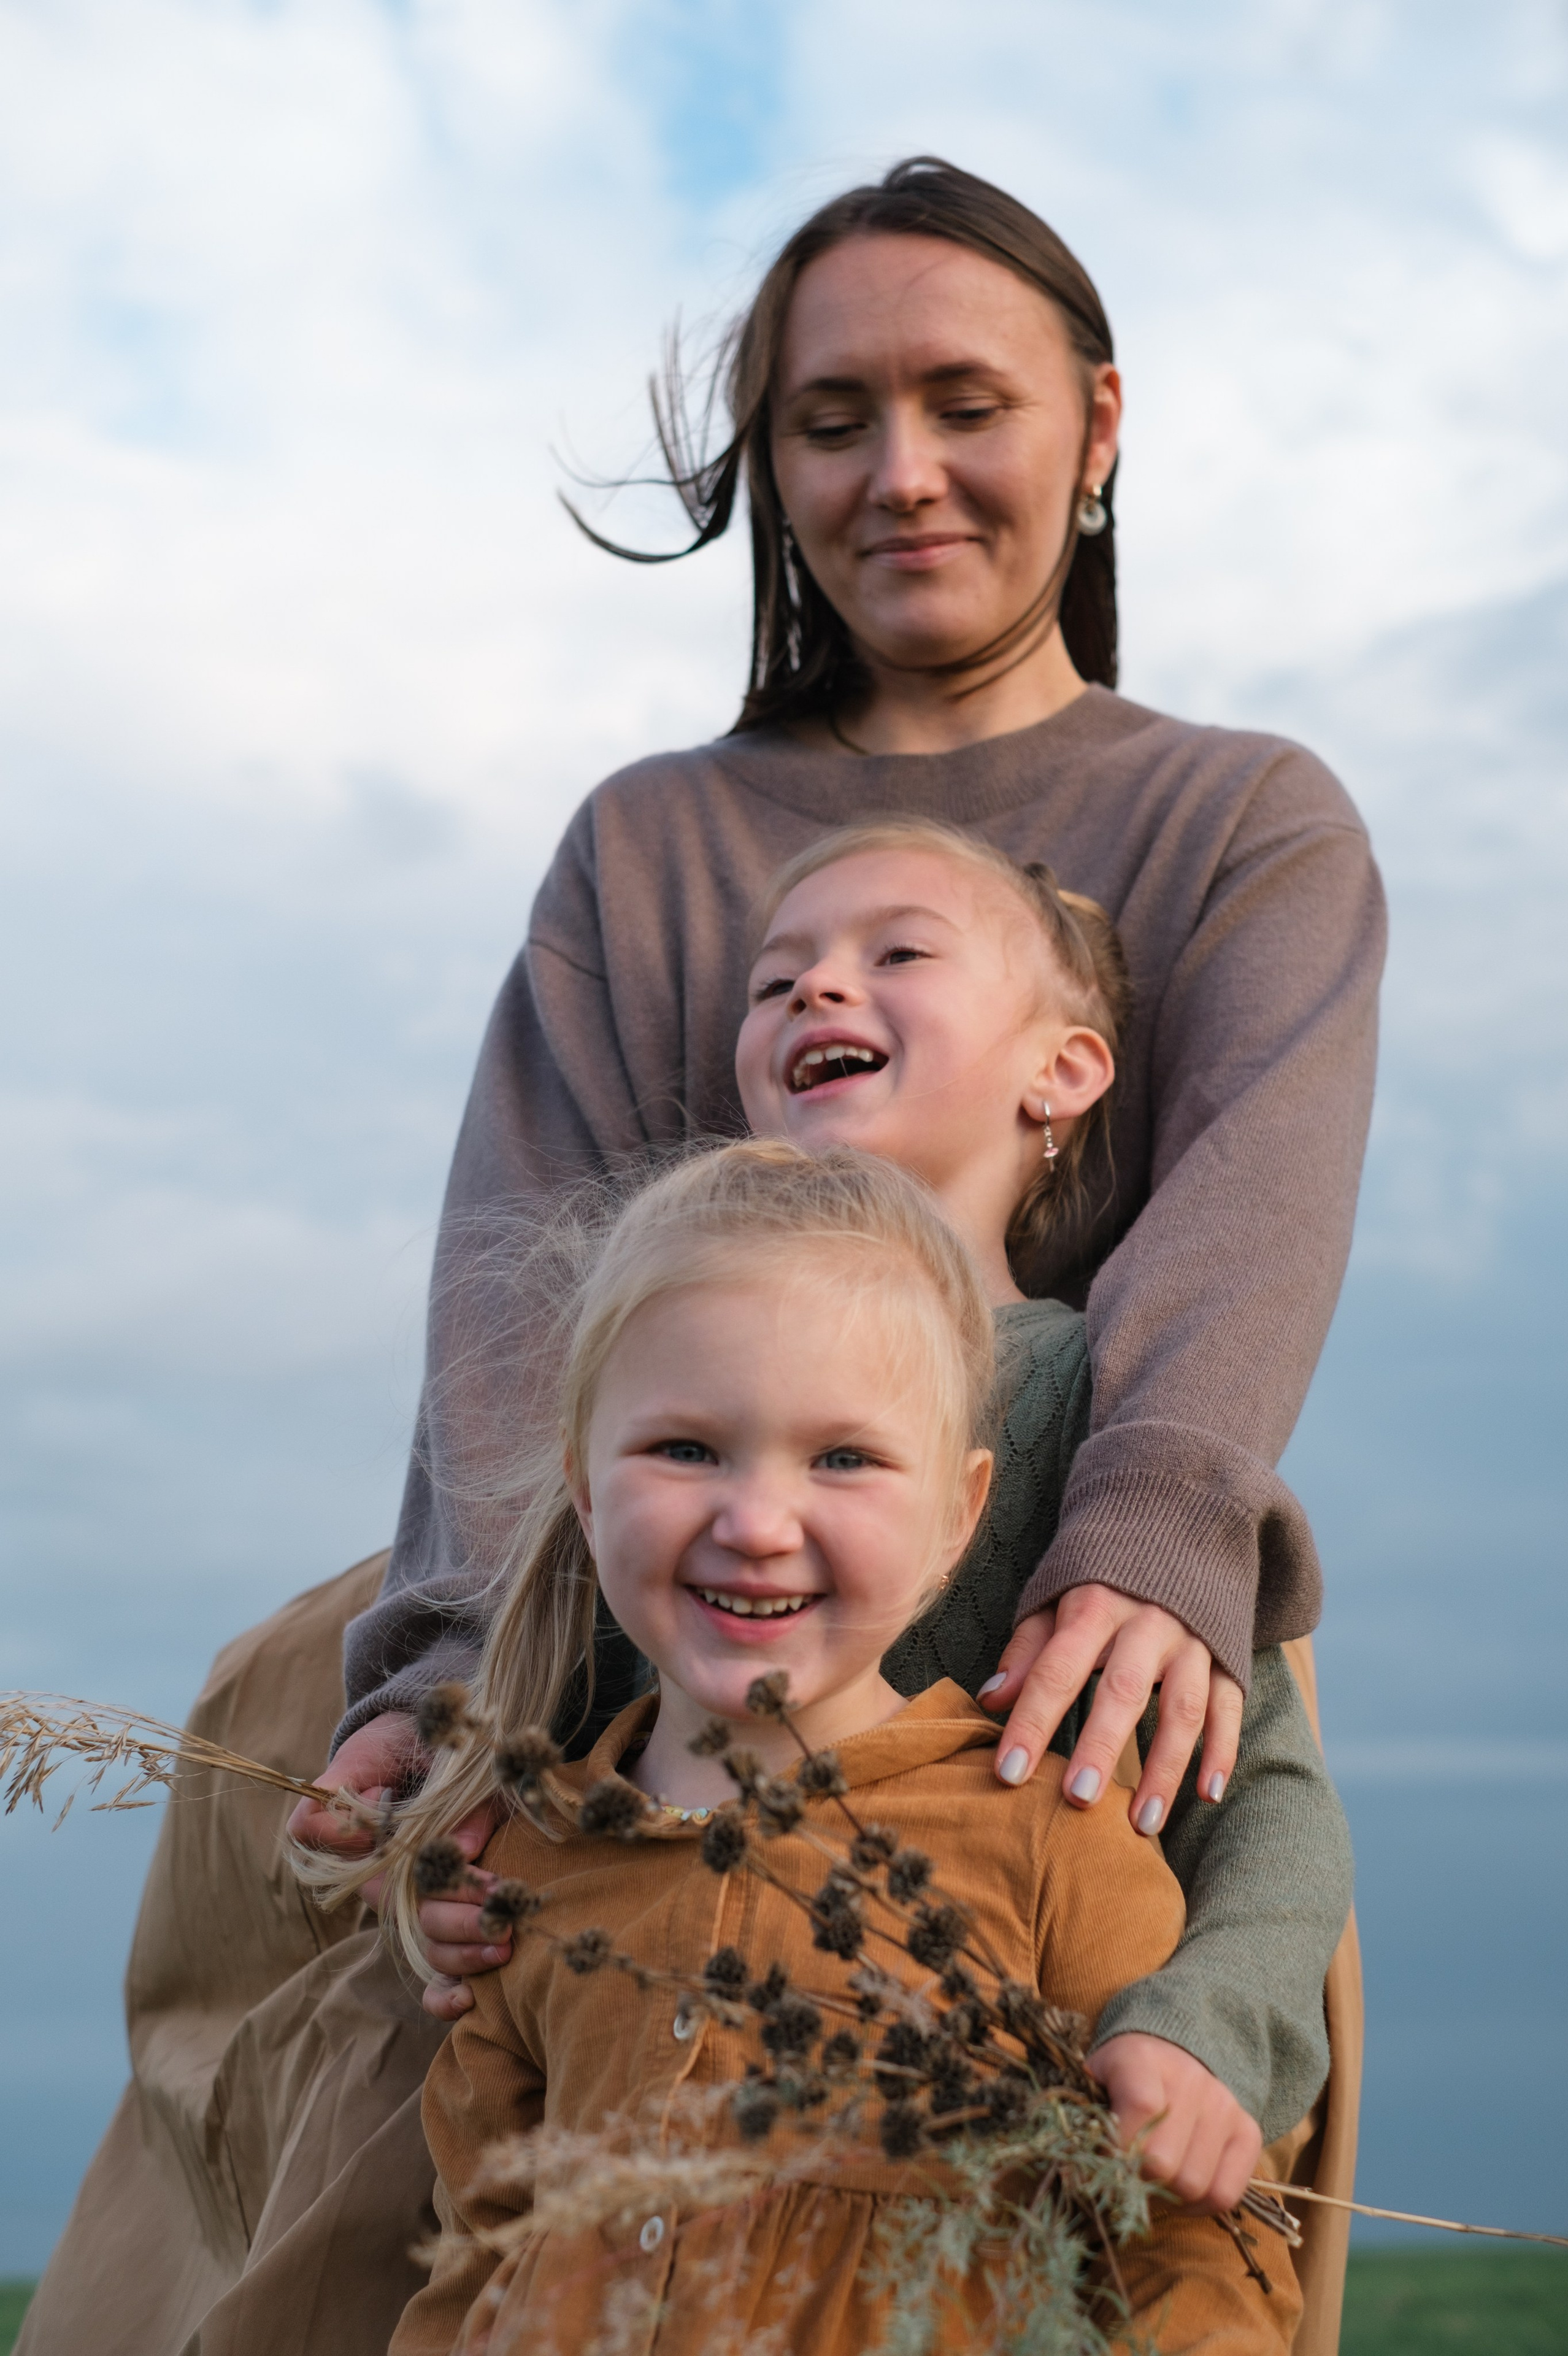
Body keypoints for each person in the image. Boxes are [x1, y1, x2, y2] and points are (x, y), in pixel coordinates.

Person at [18, 156, 1378, 2356]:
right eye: (833, 422)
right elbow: (514, 1292)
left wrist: (1149, 1534)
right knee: (403, 2168)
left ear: (1098, 429)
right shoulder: (656, 845)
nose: (901, 472)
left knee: (1110, 2193)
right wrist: (459, 1671)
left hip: (1067, 1588)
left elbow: (1253, 1219)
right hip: (635, 1625)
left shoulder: (1246, 817)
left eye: (968, 403)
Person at [353, 1138, 1307, 2355]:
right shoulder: (531, 1880)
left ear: (958, 1516)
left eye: (843, 1459)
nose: (755, 1523)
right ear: (585, 1491)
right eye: (684, 1449)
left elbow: (1188, 2248)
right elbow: (476, 2258)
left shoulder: (1044, 1832)